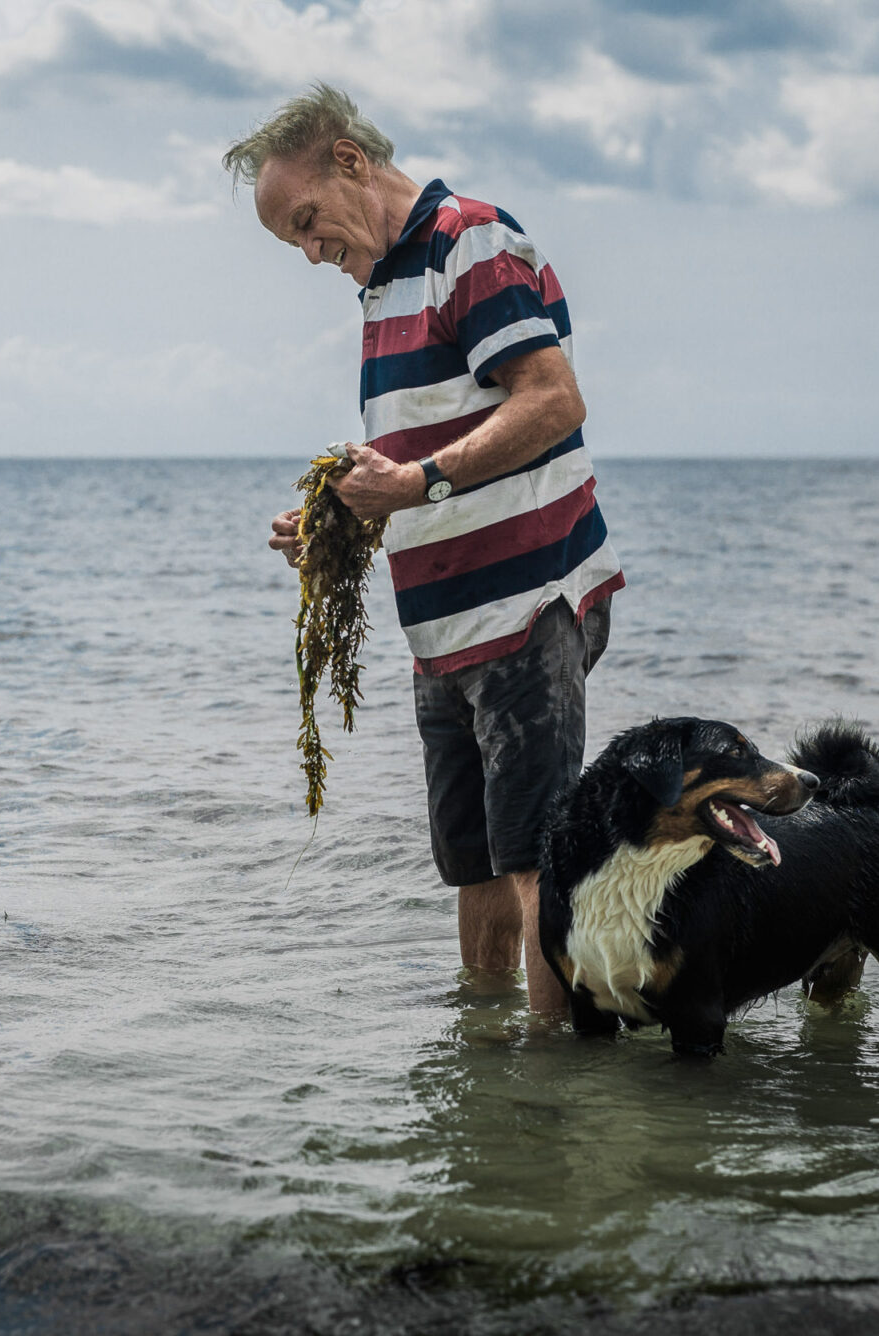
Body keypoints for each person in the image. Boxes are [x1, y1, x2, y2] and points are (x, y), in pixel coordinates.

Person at [224, 84, 623, 1015]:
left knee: (532, 869)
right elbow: (420, 452)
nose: (314, 251)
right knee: (476, 872)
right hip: (441, 632)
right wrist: (341, 519)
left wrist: (413, 486)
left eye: (309, 222)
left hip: (530, 606)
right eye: (295, 242)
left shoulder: (470, 242)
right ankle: (488, 1095)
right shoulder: (382, 288)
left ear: (351, 163)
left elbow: (551, 401)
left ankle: (549, 1108)